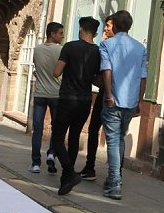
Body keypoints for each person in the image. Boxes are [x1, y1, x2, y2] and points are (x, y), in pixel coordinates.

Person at [99, 10, 147, 200]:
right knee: (119, 138)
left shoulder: (107, 44)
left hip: (114, 98)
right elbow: (143, 76)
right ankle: (113, 179)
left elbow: (107, 71)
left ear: (116, 25)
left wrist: (109, 94)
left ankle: (115, 181)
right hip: (130, 100)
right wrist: (139, 100)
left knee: (112, 140)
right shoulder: (139, 48)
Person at [51, 16, 100, 196]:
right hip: (85, 100)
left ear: (81, 30)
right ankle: (66, 181)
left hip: (67, 99)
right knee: (74, 138)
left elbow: (56, 72)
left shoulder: (70, 47)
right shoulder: (97, 52)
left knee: (57, 138)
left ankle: (70, 172)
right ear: (96, 33)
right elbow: (98, 79)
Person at [80, 15, 115, 181]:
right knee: (110, 134)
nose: (106, 29)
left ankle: (91, 167)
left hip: (106, 94)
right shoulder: (128, 47)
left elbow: (102, 72)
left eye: (108, 26)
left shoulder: (106, 47)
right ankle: (112, 174)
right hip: (116, 94)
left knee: (98, 130)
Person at [30, 21, 64, 174]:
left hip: (40, 94)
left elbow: (37, 67)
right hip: (56, 94)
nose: (62, 37)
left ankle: (36, 163)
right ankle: (51, 154)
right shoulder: (61, 51)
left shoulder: (37, 49)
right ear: (52, 34)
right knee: (56, 128)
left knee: (37, 129)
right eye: (60, 33)